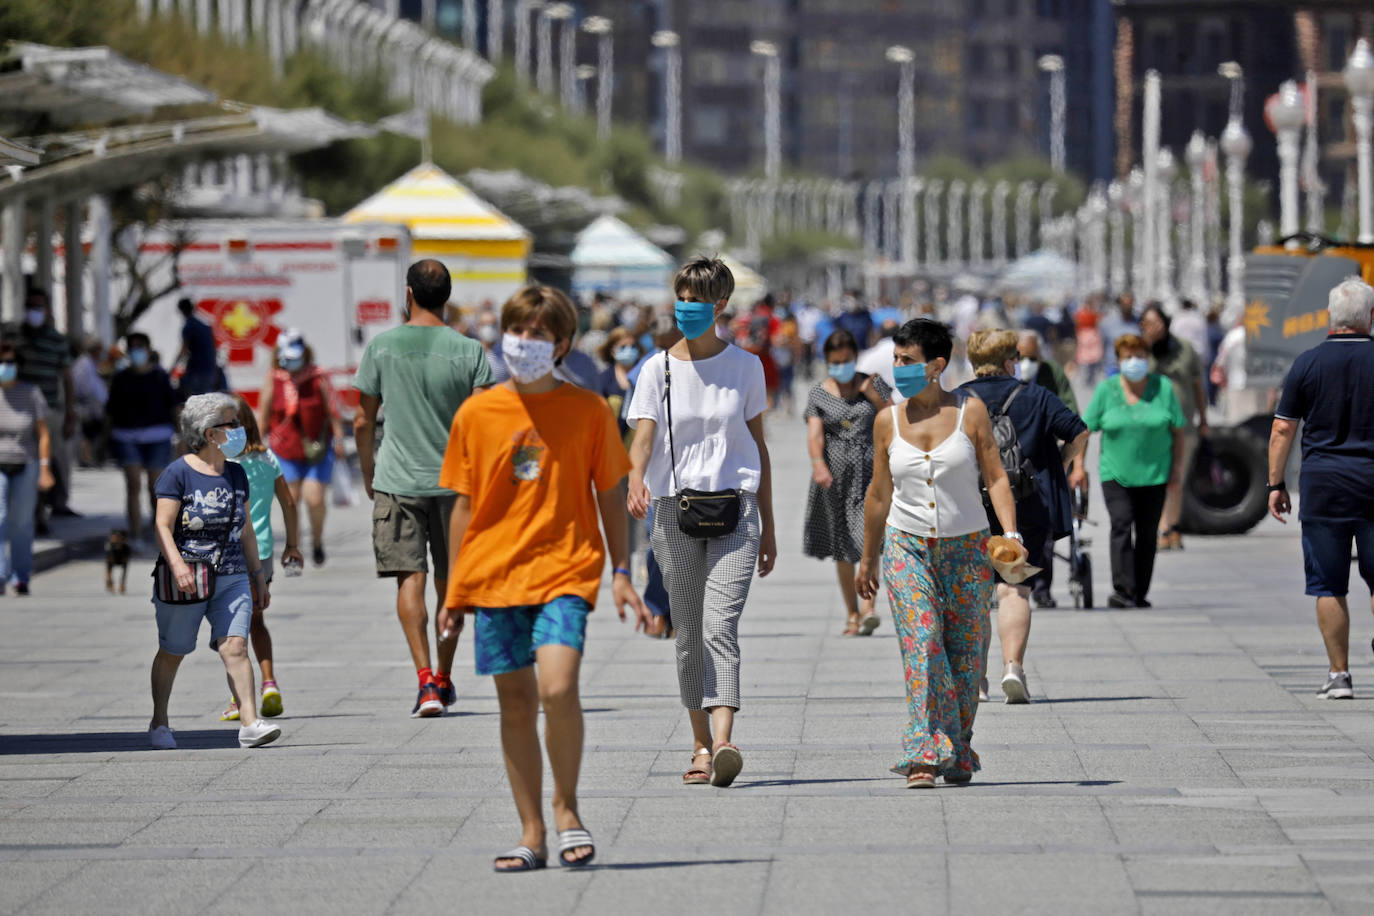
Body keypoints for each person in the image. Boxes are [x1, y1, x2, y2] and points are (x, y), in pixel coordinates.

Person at [438, 285, 649, 872]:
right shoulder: (477, 412)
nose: (523, 343)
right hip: (495, 576)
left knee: (557, 688)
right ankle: (530, 830)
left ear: (561, 344)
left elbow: (609, 494)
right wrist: (453, 593)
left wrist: (623, 571)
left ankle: (566, 808)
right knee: (514, 703)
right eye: (516, 331)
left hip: (566, 568)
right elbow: (462, 506)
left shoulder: (588, 411)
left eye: (537, 334)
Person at [627, 255, 777, 789]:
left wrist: (771, 528)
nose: (685, 307)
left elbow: (758, 448)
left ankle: (725, 739)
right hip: (673, 507)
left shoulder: (746, 367)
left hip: (736, 508)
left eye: (697, 299)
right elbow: (642, 434)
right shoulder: (655, 368)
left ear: (719, 305)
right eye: (680, 296)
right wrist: (635, 476)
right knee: (688, 629)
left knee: (721, 624)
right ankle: (699, 744)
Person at [857, 318, 1018, 787]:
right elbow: (878, 494)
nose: (898, 368)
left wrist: (1011, 532)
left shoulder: (971, 411)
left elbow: (997, 476)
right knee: (923, 642)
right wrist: (868, 558)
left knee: (967, 655)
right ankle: (924, 752)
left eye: (907, 360)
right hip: (907, 547)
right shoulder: (887, 419)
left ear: (937, 365)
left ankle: (959, 746)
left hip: (967, 548)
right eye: (896, 359)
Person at [354, 259, 494, 717]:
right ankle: (446, 676)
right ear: (447, 298)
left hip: (397, 478)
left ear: (409, 294)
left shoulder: (382, 347)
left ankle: (424, 683)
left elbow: (362, 420)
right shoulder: (469, 352)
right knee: (449, 583)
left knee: (408, 578)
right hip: (455, 484)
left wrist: (368, 470)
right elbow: (482, 423)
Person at [960, 330, 1088, 703]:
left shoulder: (960, 400)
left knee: (975, 595)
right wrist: (1060, 465)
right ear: (1010, 361)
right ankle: (1012, 668)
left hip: (972, 508)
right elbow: (1079, 432)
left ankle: (977, 681)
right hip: (1028, 506)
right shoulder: (1037, 396)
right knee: (1015, 589)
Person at [148, 393, 280, 750]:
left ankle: (250, 723)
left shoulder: (236, 473)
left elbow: (246, 529)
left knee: (236, 646)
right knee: (173, 650)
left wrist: (257, 577)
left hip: (233, 574)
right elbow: (163, 525)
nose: (240, 430)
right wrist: (177, 566)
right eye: (232, 424)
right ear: (210, 433)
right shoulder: (177, 474)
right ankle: (160, 721)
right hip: (186, 579)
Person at [1267, 277, 1374, 700]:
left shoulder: (1307, 363)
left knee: (1329, 584)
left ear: (1331, 317)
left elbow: (1281, 429)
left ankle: (1339, 674)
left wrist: (1275, 483)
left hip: (1325, 486)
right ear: (1370, 316)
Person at [1083, 334, 1185, 609]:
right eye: (1128, 357)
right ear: (1118, 360)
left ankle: (1140, 590)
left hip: (1155, 474)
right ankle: (1122, 588)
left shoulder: (1163, 388)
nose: (1134, 362)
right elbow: (1085, 430)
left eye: (1140, 356)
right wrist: (1077, 467)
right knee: (1121, 523)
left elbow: (1178, 430)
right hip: (1115, 473)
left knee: (1147, 532)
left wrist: (1177, 468)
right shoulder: (1106, 390)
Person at [803, 328, 892, 636]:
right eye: (835, 361)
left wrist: (872, 395)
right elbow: (815, 434)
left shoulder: (873, 382)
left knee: (871, 539)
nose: (841, 366)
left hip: (871, 473)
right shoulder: (819, 393)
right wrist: (818, 464)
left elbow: (894, 417)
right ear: (827, 361)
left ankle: (869, 606)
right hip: (835, 479)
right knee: (842, 546)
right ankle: (852, 613)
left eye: (847, 360)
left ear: (855, 358)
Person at [221, 396, 301, 722]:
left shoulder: (219, 463)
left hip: (228, 555)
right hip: (264, 553)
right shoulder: (267, 458)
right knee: (255, 621)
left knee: (230, 629)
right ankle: (269, 684)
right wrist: (292, 545)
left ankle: (239, 698)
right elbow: (289, 504)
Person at [258, 331, 345, 567]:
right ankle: (293, 549)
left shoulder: (318, 377)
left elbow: (333, 411)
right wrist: (255, 444)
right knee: (291, 501)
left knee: (315, 498)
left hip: (317, 448)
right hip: (284, 449)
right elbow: (263, 416)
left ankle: (316, 541)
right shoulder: (273, 379)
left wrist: (339, 440)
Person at [1140, 304, 1209, 551]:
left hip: (1183, 424)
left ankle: (1173, 527)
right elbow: (1134, 380)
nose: (1153, 328)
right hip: (1150, 427)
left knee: (1177, 477)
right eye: (1147, 324)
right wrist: (1147, 346)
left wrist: (1204, 419)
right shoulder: (1139, 352)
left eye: (1156, 323)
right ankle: (1162, 527)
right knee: (1156, 478)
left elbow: (1198, 385)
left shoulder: (1184, 349)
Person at [107, 333, 178, 548]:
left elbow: (174, 406)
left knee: (156, 487)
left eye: (140, 347)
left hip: (158, 437)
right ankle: (136, 534)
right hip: (127, 436)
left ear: (148, 349)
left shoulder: (160, 376)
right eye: (133, 347)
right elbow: (110, 411)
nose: (137, 351)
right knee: (133, 484)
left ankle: (161, 532)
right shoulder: (120, 378)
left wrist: (183, 434)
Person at [12, 289, 75, 524]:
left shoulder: (57, 341)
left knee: (43, 462)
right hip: (16, 411)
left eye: (38, 307)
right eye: (30, 306)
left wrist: (70, 413)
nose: (33, 312)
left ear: (47, 310)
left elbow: (68, 380)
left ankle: (39, 513)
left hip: (48, 412)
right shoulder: (15, 337)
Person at [0, 340, 55, 594]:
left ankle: (21, 575)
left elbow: (43, 434)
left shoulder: (31, 393)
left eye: (9, 362)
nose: (4, 366)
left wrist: (44, 468)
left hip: (26, 462)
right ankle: (1, 574)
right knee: (0, 518)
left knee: (21, 522)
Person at [595, 327, 639, 448]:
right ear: (613, 350)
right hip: (609, 447)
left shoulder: (644, 377)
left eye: (633, 347)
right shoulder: (603, 380)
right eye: (623, 347)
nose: (629, 351)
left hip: (636, 448)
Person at [1017, 330, 1078, 414]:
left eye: (1032, 359)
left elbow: (1069, 404)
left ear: (1040, 356)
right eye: (1021, 358)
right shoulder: (1008, 374)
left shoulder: (1053, 370)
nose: (1026, 364)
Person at [71, 336, 108, 467]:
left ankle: (91, 457)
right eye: (99, 350)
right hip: (87, 404)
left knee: (93, 433)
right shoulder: (83, 364)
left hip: (95, 405)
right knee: (87, 432)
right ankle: (85, 458)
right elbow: (82, 386)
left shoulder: (92, 363)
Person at [175, 297, 220, 398]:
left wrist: (172, 368)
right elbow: (214, 349)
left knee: (192, 401)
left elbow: (184, 350)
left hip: (197, 372)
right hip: (210, 371)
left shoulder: (189, 327)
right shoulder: (205, 326)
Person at [1097, 293, 1139, 375]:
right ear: (1120, 304)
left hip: (1133, 366)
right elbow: (1102, 344)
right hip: (1113, 367)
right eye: (1124, 303)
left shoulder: (1138, 322)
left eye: (1130, 303)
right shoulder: (1107, 323)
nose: (1127, 306)